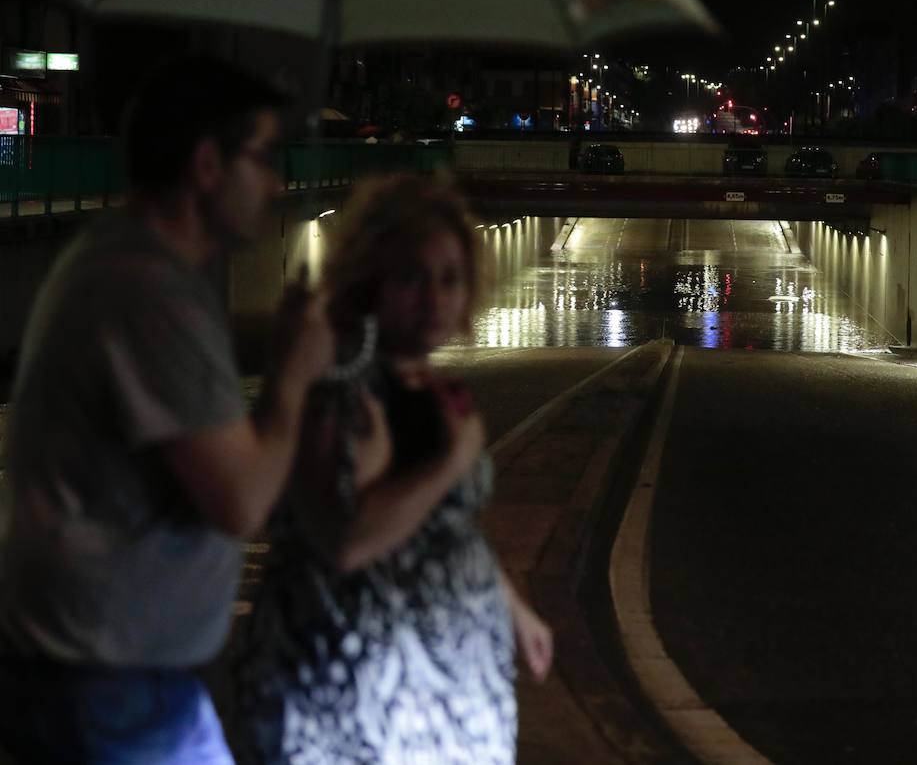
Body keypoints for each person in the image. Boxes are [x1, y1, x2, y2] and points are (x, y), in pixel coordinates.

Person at [0, 55, 335, 762]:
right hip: (106, 686)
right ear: (208, 164)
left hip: (115, 677)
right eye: (264, 156)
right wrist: (293, 373)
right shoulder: (147, 293)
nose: (276, 183)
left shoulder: (126, 266)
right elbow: (239, 497)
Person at [236, 175, 553, 764]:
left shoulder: (430, 387)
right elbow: (348, 542)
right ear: (369, 281)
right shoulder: (346, 395)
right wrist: (453, 460)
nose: (434, 297)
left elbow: (445, 527)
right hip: (366, 702)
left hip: (440, 697)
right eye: (411, 277)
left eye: (450, 278)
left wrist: (512, 607)